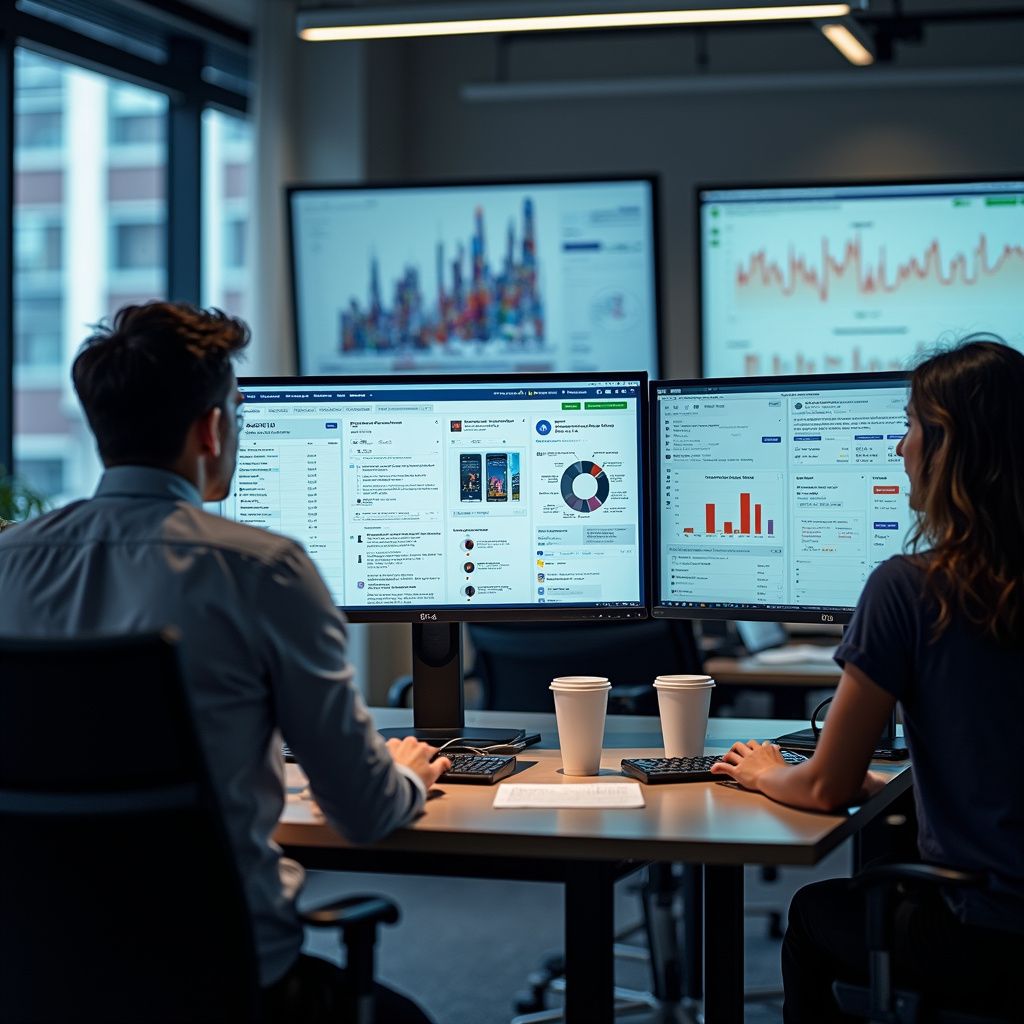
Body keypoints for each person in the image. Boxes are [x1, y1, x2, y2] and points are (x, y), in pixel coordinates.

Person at [0, 302, 451, 1023]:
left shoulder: (8, 563)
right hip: (226, 985)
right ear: (212, 429)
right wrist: (405, 774)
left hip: (34, 980)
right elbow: (363, 813)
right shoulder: (260, 570)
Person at [710, 339, 1024, 1021]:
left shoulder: (911, 590)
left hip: (985, 931)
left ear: (949, 450)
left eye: (910, 426)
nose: (898, 448)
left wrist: (765, 771)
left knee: (816, 916)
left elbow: (825, 788)